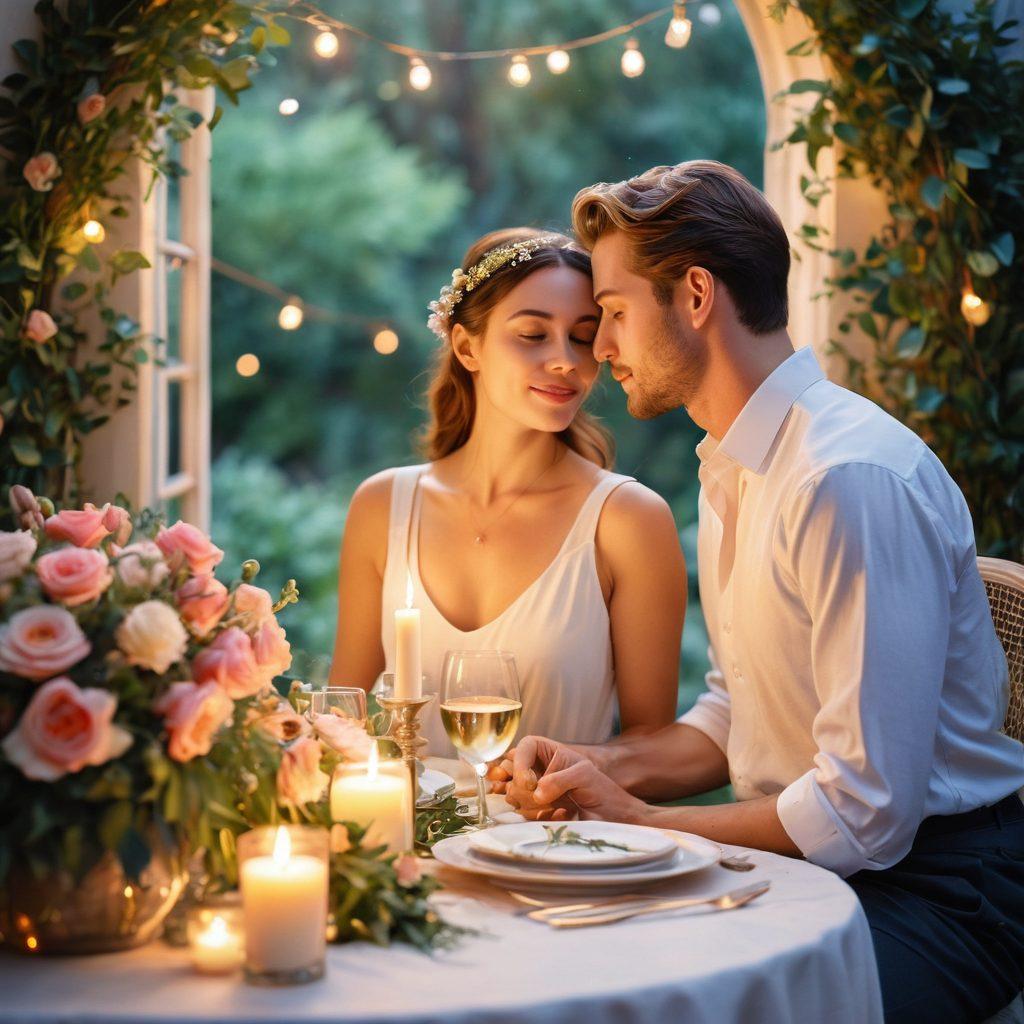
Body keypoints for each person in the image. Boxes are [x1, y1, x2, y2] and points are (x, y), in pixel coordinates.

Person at [499, 162, 1024, 1023]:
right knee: (560, 962)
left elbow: (865, 816)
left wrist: (639, 824)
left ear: (696, 294)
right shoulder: (730, 467)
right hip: (808, 872)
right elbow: (734, 710)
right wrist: (593, 769)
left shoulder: (844, 479)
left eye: (617, 314)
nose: (600, 349)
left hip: (944, 891)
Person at [330, 228, 686, 756]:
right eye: (533, 334)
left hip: (559, 835)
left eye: (583, 335)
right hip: (405, 834)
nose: (566, 360)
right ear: (467, 346)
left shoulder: (629, 520)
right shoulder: (382, 508)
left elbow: (652, 747)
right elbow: (343, 721)